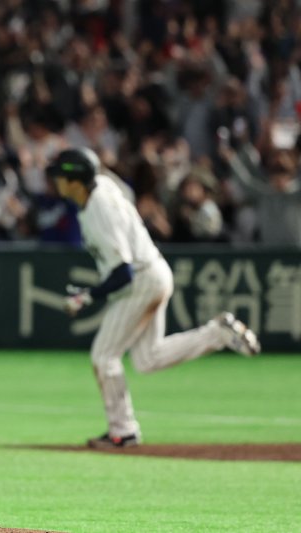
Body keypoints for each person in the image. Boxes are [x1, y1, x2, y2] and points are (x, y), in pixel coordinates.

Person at [46, 147, 261, 448]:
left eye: (60, 176)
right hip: (154, 271)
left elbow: (123, 273)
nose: (55, 181)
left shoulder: (98, 210)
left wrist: (86, 297)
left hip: (142, 280)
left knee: (104, 355)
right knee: (148, 358)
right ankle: (217, 334)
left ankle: (123, 431)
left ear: (75, 181)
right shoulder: (101, 187)